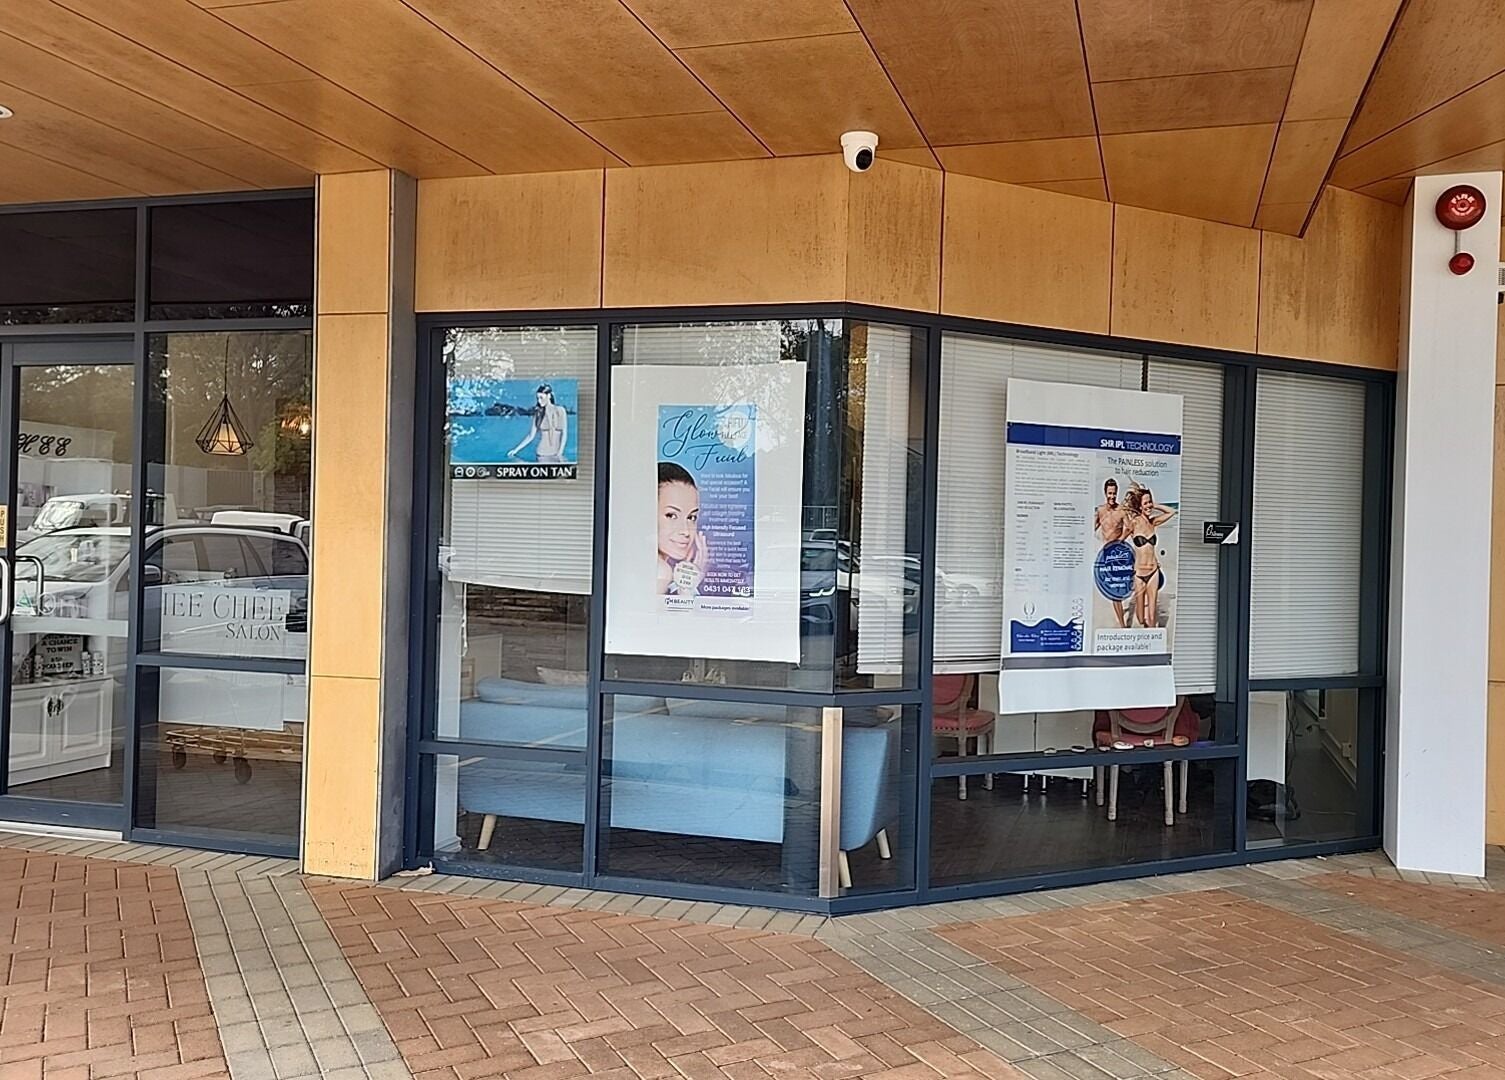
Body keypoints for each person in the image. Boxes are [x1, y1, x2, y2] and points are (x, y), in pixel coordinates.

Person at [1123, 487, 1176, 629]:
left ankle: (1152, 639)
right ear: (1139, 506)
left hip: (1153, 571)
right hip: (1139, 574)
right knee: (1140, 617)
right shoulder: (1134, 523)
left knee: (1152, 613)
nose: (1149, 506)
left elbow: (1172, 512)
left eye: (1149, 503)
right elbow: (1120, 542)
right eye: (1145, 503)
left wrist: (1155, 504)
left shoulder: (1153, 523)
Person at [656, 462, 709, 596]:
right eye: (671, 515)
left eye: (691, 517)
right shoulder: (661, 570)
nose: (686, 531)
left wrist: (686, 585)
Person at [1094, 478, 1128, 628]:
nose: (1112, 496)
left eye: (1114, 493)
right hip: (1106, 555)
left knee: (1120, 589)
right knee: (1114, 592)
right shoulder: (1100, 511)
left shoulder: (1121, 511)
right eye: (1109, 493)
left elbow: (1129, 528)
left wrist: (1120, 540)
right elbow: (1091, 528)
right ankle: (1122, 623)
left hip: (1120, 555)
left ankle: (1122, 623)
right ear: (1105, 493)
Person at [507, 384, 569, 464]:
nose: (539, 401)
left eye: (541, 398)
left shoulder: (561, 411)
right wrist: (516, 450)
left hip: (557, 454)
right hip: (542, 455)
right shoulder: (538, 414)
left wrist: (560, 453)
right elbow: (530, 436)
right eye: (537, 398)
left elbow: (564, 434)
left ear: (549, 396)